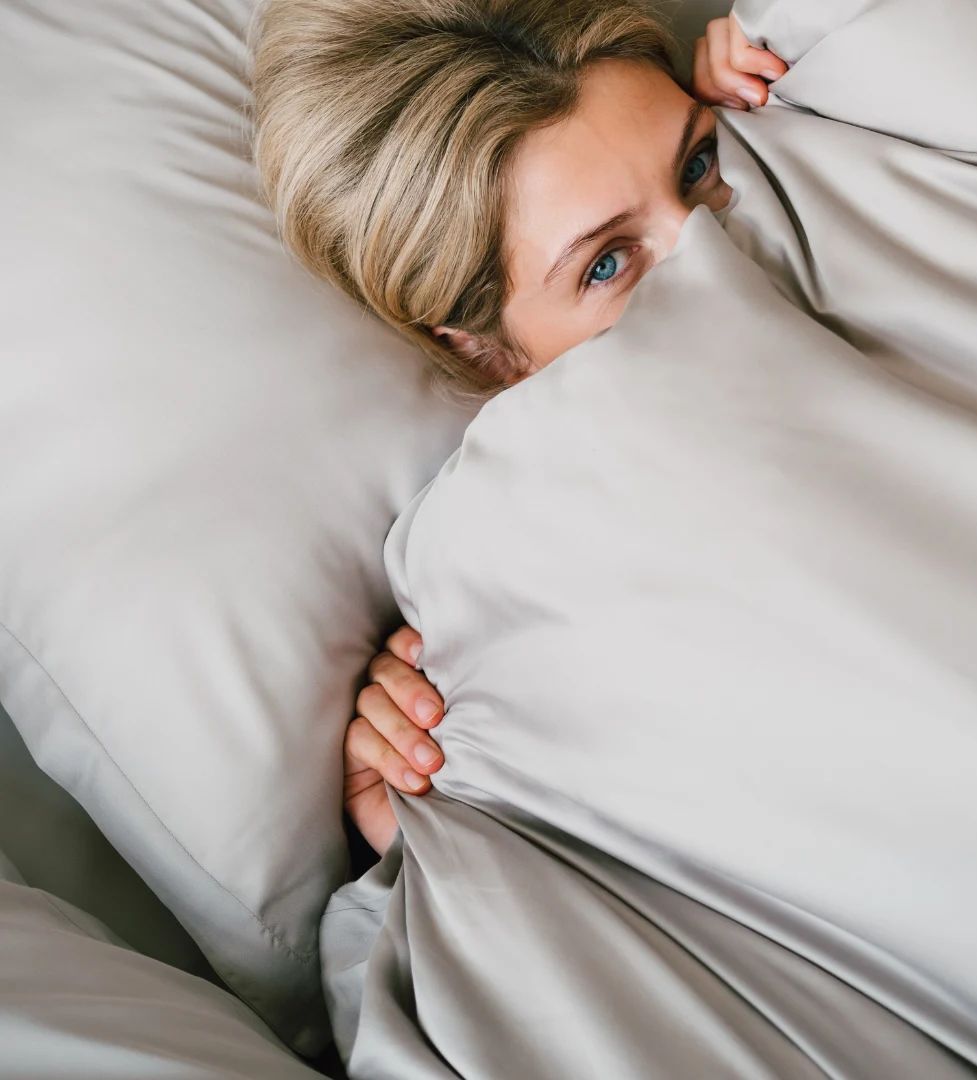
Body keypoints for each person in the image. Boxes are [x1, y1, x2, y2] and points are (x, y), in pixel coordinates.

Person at [251, 0, 787, 856]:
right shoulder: (505, 581)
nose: (715, 251)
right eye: (607, 263)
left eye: (696, 165)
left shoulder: (814, 161)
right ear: (489, 351)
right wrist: (446, 842)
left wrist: (798, 84)